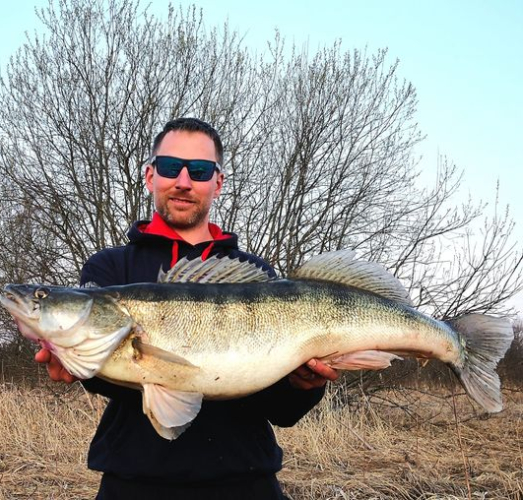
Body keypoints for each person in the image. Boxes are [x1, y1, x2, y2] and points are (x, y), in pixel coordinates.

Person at [35, 117, 338, 499]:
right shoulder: (110, 270)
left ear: (217, 182)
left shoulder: (255, 277)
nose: (182, 180)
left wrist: (303, 385)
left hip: (246, 481)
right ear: (149, 176)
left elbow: (281, 410)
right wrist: (77, 361)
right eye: (168, 167)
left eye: (198, 170)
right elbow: (105, 375)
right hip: (133, 483)